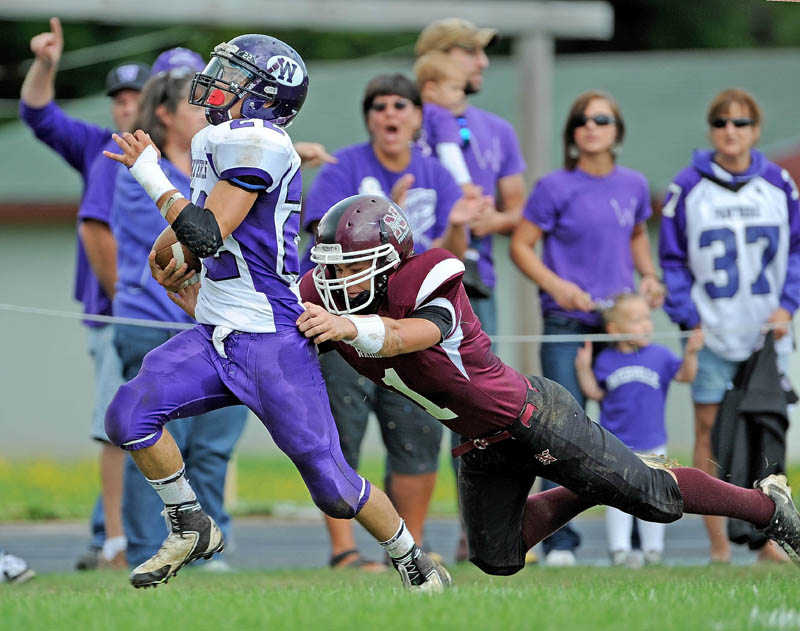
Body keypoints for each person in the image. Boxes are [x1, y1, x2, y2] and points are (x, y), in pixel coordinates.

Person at [295, 193, 800, 578]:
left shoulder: (428, 278)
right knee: (499, 559)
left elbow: (409, 336)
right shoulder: (322, 295)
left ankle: (768, 507)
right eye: (331, 265)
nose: (338, 276)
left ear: (391, 260)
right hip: (479, 442)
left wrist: (348, 328)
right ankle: (594, 485)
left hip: (531, 416)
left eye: (352, 265)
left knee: (654, 501)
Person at [103, 34, 449, 592]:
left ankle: (414, 563)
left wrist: (150, 174)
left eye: (233, 74)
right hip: (216, 328)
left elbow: (210, 232)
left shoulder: (259, 140)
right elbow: (199, 228)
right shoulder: (223, 138)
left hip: (269, 339)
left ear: (264, 95)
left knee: (334, 488)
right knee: (128, 414)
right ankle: (189, 523)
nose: (216, 79)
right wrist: (168, 253)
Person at [299, 73, 484, 569]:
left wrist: (460, 223)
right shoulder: (344, 168)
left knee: (416, 433)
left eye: (401, 105)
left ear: (418, 117)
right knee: (338, 433)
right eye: (379, 105)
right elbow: (320, 244)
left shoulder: (437, 174)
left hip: (407, 322)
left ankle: (410, 548)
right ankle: (344, 553)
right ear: (369, 117)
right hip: (345, 318)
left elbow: (448, 257)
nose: (390, 113)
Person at [510, 90, 664, 566]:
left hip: (619, 326)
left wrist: (649, 276)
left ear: (617, 129)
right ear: (572, 133)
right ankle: (559, 543)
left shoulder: (634, 184)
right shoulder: (555, 186)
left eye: (602, 119)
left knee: (630, 428)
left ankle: (638, 540)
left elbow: (637, 234)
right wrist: (557, 288)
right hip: (567, 322)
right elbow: (521, 245)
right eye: (582, 120)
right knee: (559, 431)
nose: (591, 126)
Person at [109, 53, 249, 570]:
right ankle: (151, 547)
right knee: (157, 441)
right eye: (199, 101)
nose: (212, 108)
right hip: (154, 324)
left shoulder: (223, 170)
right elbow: (178, 245)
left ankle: (210, 548)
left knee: (213, 448)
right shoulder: (137, 173)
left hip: (219, 326)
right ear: (166, 114)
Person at [19, 16, 145, 570]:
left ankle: (116, 534)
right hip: (114, 314)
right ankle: (115, 540)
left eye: (134, 97)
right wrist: (46, 65)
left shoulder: (183, 155)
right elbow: (37, 115)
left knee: (151, 424)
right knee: (117, 424)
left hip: (169, 314)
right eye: (117, 98)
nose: (123, 107)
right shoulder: (98, 149)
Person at [659, 88, 800, 564]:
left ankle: (769, 540)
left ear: (756, 130)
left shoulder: (780, 184)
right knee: (708, 432)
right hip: (712, 331)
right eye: (721, 122)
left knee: (767, 429)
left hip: (766, 332)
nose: (730, 131)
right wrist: (686, 315)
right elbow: (672, 260)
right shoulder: (688, 185)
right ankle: (717, 543)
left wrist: (788, 305)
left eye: (740, 123)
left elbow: (797, 249)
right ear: (711, 129)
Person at [415, 17, 527, 562]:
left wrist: (484, 217)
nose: (481, 62)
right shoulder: (406, 120)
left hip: (474, 281)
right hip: (412, 281)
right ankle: (409, 538)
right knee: (414, 410)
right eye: (469, 52)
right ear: (434, 61)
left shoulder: (496, 129)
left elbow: (516, 211)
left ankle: (478, 532)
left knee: (480, 409)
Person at [574, 293, 703, 567]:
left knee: (656, 496)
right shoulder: (606, 360)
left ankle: (653, 549)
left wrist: (691, 353)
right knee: (616, 497)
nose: (646, 325)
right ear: (614, 330)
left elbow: (686, 376)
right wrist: (584, 369)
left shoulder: (660, 355)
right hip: (615, 444)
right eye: (636, 320)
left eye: (647, 318)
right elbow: (595, 393)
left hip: (654, 442)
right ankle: (619, 550)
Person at [412, 51, 476, 195]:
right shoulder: (442, 115)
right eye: (455, 88)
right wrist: (465, 184)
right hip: (433, 187)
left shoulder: (410, 111)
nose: (461, 94)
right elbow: (449, 151)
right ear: (431, 89)